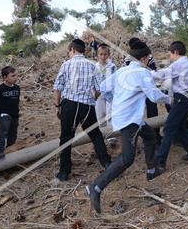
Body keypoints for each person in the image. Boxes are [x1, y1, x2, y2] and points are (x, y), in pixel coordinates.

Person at [85, 41, 171, 213]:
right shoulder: (141, 72)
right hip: (129, 120)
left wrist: (113, 100)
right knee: (127, 158)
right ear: (145, 58)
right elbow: (154, 96)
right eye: (149, 58)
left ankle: (151, 169)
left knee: (150, 137)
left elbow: (103, 87)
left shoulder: (122, 70)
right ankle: (96, 187)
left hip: (128, 116)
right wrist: (171, 99)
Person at [53, 39, 111, 182]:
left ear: (72, 50)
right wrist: (92, 99)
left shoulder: (66, 65)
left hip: (69, 105)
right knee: (96, 135)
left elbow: (57, 88)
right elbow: (99, 89)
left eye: (69, 51)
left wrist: (57, 105)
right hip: (86, 106)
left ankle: (64, 172)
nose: (69, 53)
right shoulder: (92, 66)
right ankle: (107, 164)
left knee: (66, 138)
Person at [152, 41, 188, 172]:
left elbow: (161, 75)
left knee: (169, 128)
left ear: (175, 52)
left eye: (170, 54)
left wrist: (144, 73)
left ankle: (160, 163)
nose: (169, 57)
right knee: (180, 127)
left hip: (182, 98)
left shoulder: (178, 65)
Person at [0, 66, 20, 159]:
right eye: (12, 76)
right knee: (4, 128)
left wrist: (17, 114)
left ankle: (10, 150)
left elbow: (16, 102)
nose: (15, 77)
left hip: (14, 115)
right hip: (4, 114)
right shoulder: (0, 89)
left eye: (16, 75)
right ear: (5, 77)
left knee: (13, 133)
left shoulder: (17, 88)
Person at [95, 44, 117, 128]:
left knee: (110, 113)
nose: (103, 56)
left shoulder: (112, 66)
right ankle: (103, 133)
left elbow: (115, 79)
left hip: (110, 93)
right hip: (99, 94)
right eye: (101, 54)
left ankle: (111, 136)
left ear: (108, 55)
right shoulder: (95, 67)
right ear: (98, 55)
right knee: (100, 114)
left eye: (105, 54)